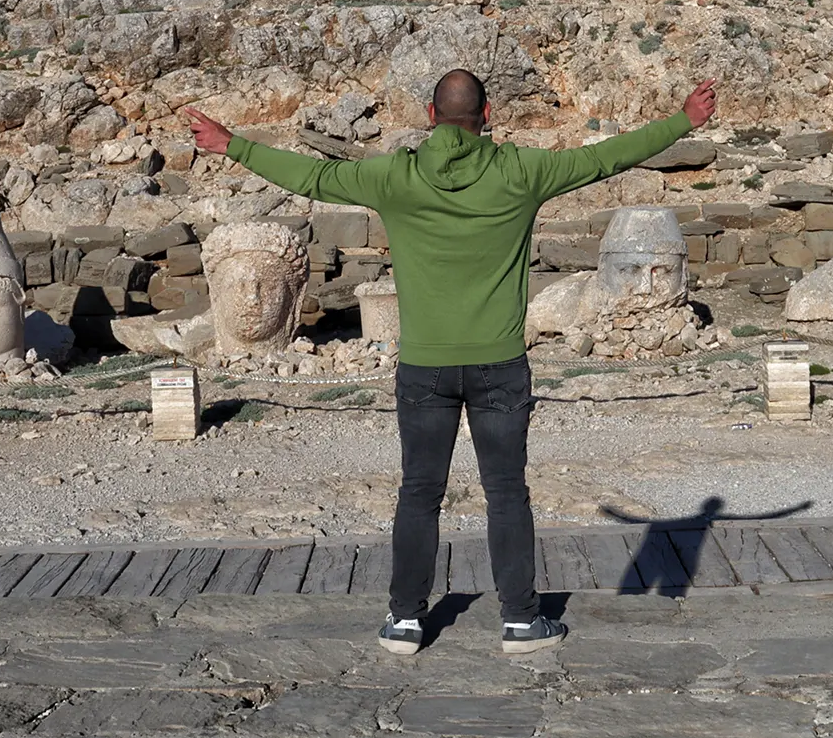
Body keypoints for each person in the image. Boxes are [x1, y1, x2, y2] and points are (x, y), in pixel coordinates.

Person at [184, 72, 716, 655]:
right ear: (487, 113)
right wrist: (682, 121)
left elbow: (311, 175)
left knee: (419, 493)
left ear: (430, 116)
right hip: (499, 364)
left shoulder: (395, 176)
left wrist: (231, 143)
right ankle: (520, 621)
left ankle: (405, 622)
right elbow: (604, 158)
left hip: (424, 367)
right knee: (507, 493)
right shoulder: (523, 171)